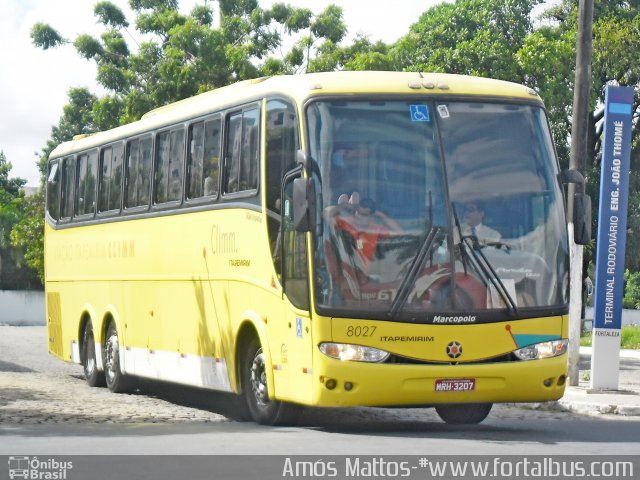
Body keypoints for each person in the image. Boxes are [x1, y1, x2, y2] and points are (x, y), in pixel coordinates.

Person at [334, 197, 403, 272]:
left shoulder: (376, 229)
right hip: (348, 273)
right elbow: (326, 214)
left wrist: (381, 215)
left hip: (367, 275)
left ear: (371, 217)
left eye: (364, 214)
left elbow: (400, 233)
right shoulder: (348, 223)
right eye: (358, 212)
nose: (359, 216)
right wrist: (342, 206)